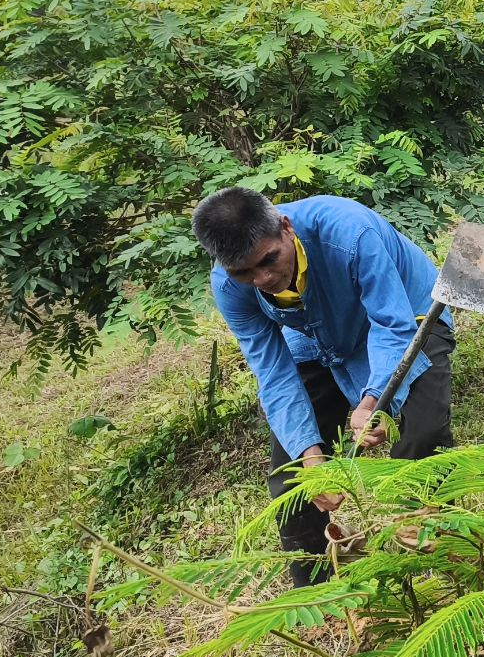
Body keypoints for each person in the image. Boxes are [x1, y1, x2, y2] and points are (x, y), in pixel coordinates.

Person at [193, 188, 456, 584]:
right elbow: (273, 372)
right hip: (316, 335)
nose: (262, 279)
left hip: (407, 314)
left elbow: (391, 323)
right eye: (244, 273)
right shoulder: (230, 288)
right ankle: (313, 589)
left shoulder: (349, 232)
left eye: (268, 260)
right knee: (292, 474)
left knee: (421, 433)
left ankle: (431, 536)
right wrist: (310, 455)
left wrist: (373, 402)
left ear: (286, 228)